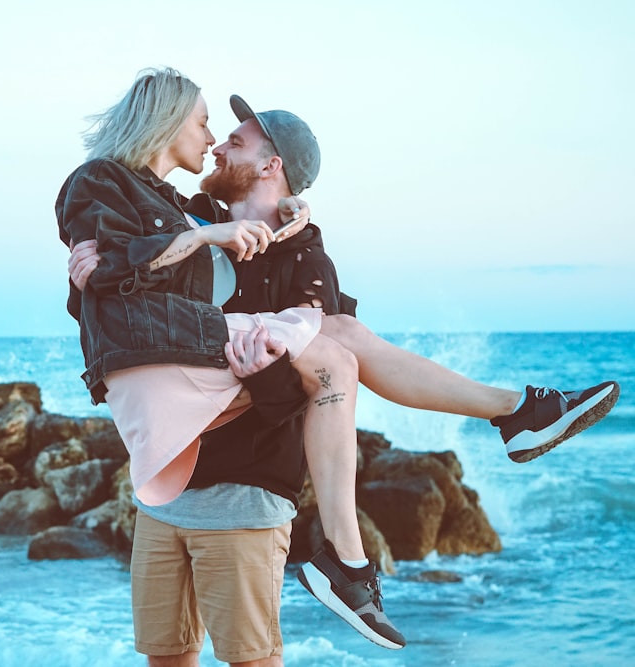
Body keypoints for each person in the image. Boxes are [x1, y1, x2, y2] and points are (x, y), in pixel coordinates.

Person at [62, 72, 620, 658]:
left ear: (270, 165)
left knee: (337, 344)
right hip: (167, 483)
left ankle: (497, 428)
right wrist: (96, 276)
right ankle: (515, 414)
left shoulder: (305, 254)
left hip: (246, 492)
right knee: (167, 654)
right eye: (210, 130)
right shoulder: (187, 214)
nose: (215, 145)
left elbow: (306, 393)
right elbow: (122, 294)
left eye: (233, 140)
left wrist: (263, 367)